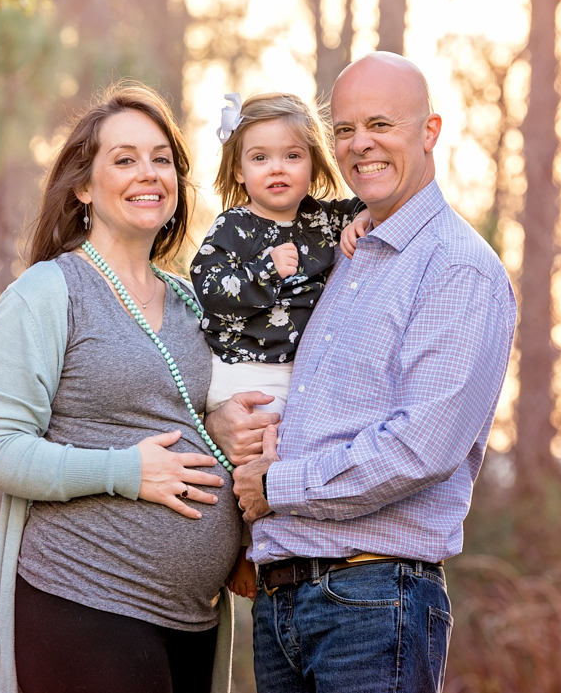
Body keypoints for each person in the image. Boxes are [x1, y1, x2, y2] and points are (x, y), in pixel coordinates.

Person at [208, 53, 518, 693]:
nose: (360, 144)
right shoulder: (345, 254)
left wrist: (279, 484)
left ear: (429, 130)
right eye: (345, 129)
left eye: (381, 124)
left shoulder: (456, 268)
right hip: (282, 599)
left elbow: (420, 448)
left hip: (373, 600)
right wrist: (224, 418)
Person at [0, 82, 240, 693]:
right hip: (86, 600)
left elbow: (199, 414)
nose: (149, 173)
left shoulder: (196, 304)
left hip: (193, 622)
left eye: (161, 158)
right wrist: (124, 471)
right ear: (84, 186)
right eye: (125, 158)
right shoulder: (49, 293)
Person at [196, 91, 366, 420]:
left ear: (314, 166)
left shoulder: (321, 219)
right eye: (260, 158)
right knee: (262, 451)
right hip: (243, 370)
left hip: (301, 374)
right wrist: (265, 271)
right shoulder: (235, 226)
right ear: (239, 171)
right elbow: (209, 285)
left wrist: (360, 218)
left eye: (292, 156)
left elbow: (371, 202)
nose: (277, 168)